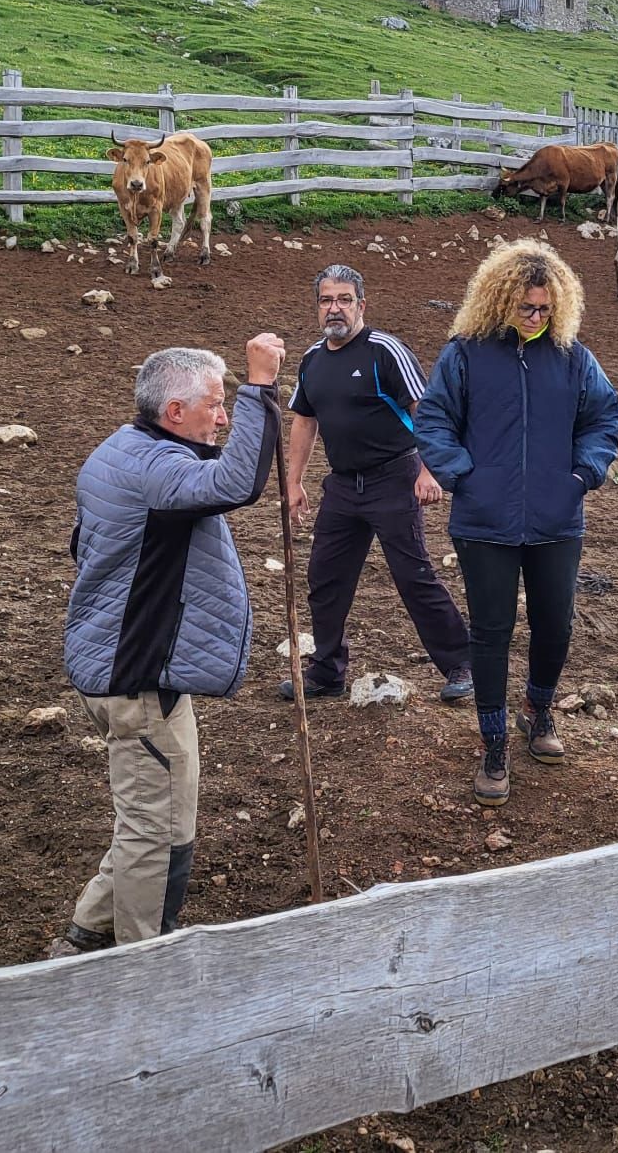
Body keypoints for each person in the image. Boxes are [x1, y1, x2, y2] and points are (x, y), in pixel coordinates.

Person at [58, 335, 286, 949]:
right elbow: (239, 483)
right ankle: (145, 959)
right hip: (139, 679)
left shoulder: (119, 452)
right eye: (215, 403)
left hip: (128, 668)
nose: (224, 415)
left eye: (229, 402)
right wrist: (261, 387)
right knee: (156, 830)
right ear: (174, 412)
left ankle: (88, 931)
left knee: (153, 815)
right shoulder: (158, 469)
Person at [416, 239, 618, 806]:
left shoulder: (574, 356)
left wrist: (584, 474)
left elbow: (604, 415)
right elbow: (433, 420)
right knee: (491, 632)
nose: (536, 317)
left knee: (556, 625)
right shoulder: (464, 354)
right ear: (499, 300)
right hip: (484, 521)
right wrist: (465, 475)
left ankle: (538, 707)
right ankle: (492, 741)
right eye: (526, 308)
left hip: (558, 518)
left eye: (544, 308)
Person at [281, 264, 473, 705]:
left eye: (344, 300)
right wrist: (294, 481)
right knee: (325, 577)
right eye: (327, 300)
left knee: (414, 575)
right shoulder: (312, 360)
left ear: (361, 305)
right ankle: (327, 671)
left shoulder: (385, 350)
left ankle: (464, 663)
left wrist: (430, 470)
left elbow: (425, 409)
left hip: (395, 478)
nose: (335, 309)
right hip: (343, 486)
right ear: (317, 307)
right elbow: (304, 420)